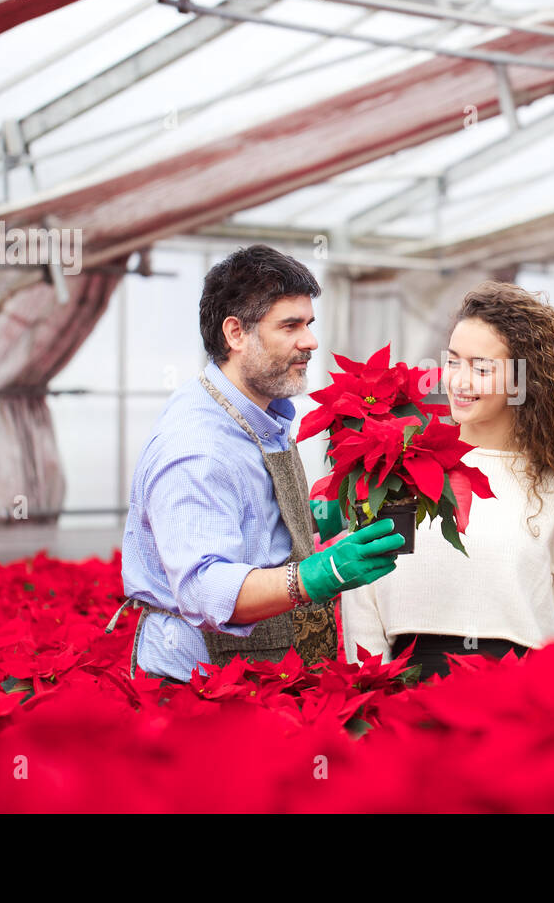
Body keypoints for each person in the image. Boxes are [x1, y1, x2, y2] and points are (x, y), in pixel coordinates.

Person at [107, 245, 403, 683]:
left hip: (258, 676)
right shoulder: (197, 449)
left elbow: (253, 523)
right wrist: (320, 574)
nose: (311, 341)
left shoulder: (261, 411)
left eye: (309, 323)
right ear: (235, 333)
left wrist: (326, 514)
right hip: (200, 689)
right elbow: (205, 589)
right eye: (290, 325)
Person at [341, 281, 554, 679]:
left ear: (522, 380)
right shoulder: (399, 468)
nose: (460, 382)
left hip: (515, 704)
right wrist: (367, 704)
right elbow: (363, 599)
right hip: (400, 700)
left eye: (481, 368)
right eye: (454, 361)